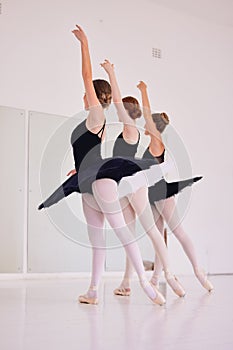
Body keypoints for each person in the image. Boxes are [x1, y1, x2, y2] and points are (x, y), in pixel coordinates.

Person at [39, 25, 173, 305]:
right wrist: (79, 169)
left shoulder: (96, 114)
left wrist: (84, 43)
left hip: (100, 182)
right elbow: (88, 152)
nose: (84, 93)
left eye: (87, 91)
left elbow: (86, 76)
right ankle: (93, 291)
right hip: (87, 182)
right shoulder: (91, 121)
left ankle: (145, 286)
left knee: (123, 232)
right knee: (97, 240)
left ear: (93, 96)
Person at [113, 80, 213, 296]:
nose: (145, 124)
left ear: (154, 127)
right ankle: (158, 277)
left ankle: (199, 272)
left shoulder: (158, 142)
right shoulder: (149, 146)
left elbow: (148, 116)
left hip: (164, 195)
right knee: (160, 236)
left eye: (149, 123)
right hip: (152, 196)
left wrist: (144, 91)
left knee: (178, 232)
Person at [101, 59, 186, 299]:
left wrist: (111, 73)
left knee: (153, 232)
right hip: (126, 187)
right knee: (129, 235)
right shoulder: (128, 131)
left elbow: (118, 101)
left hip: (134, 187)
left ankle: (167, 275)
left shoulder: (130, 128)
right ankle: (127, 282)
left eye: (122, 109)